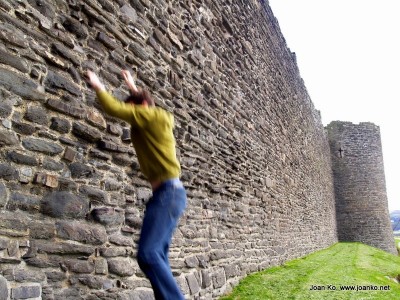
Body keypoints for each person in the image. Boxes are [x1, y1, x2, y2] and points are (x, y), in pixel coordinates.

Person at [86, 69, 187, 300]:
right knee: (157, 255)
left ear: (140, 107)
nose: (131, 116)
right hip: (169, 194)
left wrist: (98, 85)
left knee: (149, 254)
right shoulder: (155, 116)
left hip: (168, 194)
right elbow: (144, 103)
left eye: (133, 109)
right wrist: (133, 87)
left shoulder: (150, 116)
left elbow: (115, 108)